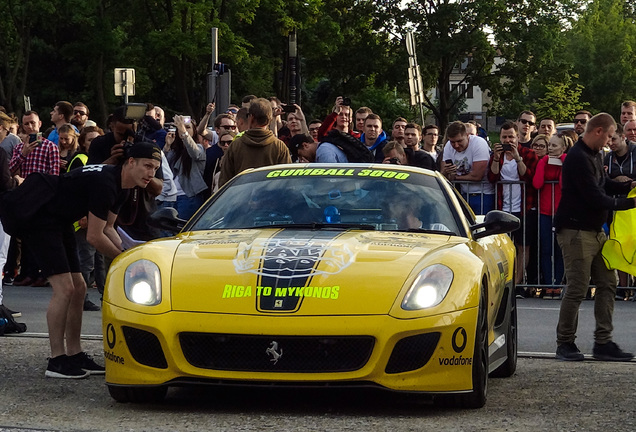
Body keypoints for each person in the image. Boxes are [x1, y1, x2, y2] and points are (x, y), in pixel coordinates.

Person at [6, 141, 162, 378]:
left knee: (79, 287)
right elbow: (93, 236)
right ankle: (57, 360)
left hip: (60, 220)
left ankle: (75, 353)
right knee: (65, 289)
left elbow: (109, 228)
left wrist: (131, 255)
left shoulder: (124, 185)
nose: (151, 173)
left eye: (155, 168)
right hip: (39, 217)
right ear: (131, 162)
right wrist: (126, 260)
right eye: (147, 166)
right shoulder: (107, 183)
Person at [554, 113, 636, 362]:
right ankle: (565, 342)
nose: (610, 142)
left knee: (607, 282)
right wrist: (631, 202)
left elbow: (604, 184)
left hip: (593, 229)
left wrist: (629, 184)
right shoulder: (578, 158)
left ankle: (603, 341)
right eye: (609, 136)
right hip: (576, 230)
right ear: (598, 131)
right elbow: (595, 196)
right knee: (578, 287)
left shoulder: (594, 154)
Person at [487, 122, 539, 297]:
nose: (507, 140)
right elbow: (492, 177)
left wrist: (517, 157)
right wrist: (496, 157)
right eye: (504, 137)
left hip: (523, 206)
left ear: (517, 137)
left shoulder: (529, 154)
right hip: (503, 206)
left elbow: (529, 176)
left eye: (511, 137)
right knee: (503, 246)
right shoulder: (497, 155)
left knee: (523, 246)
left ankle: (516, 283)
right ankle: (505, 281)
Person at [218, 98, 291, 187]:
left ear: (251, 117)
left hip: (241, 198)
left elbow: (224, 182)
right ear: (270, 119)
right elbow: (286, 182)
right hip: (271, 199)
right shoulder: (279, 147)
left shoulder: (236, 145)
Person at [533, 134, 570, 299]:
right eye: (550, 145)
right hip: (545, 212)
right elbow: (537, 183)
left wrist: (562, 163)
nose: (551, 149)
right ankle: (549, 284)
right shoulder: (543, 161)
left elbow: (564, 185)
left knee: (560, 249)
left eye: (555, 146)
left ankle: (558, 284)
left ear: (563, 148)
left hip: (562, 212)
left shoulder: (567, 160)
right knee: (546, 249)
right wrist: (544, 163)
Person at [441, 121, 495, 215]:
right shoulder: (448, 146)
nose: (456, 145)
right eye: (453, 142)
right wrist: (446, 172)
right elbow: (443, 173)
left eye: (459, 141)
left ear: (467, 135)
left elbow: (477, 176)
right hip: (463, 194)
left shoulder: (479, 143)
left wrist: (455, 177)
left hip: (483, 194)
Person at [162, 115, 207, 220]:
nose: (184, 129)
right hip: (171, 197)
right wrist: (167, 146)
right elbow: (164, 167)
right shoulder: (175, 151)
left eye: (188, 127)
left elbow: (194, 153)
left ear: (194, 131)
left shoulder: (199, 147)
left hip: (189, 197)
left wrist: (183, 132)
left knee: (182, 229)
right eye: (181, 127)